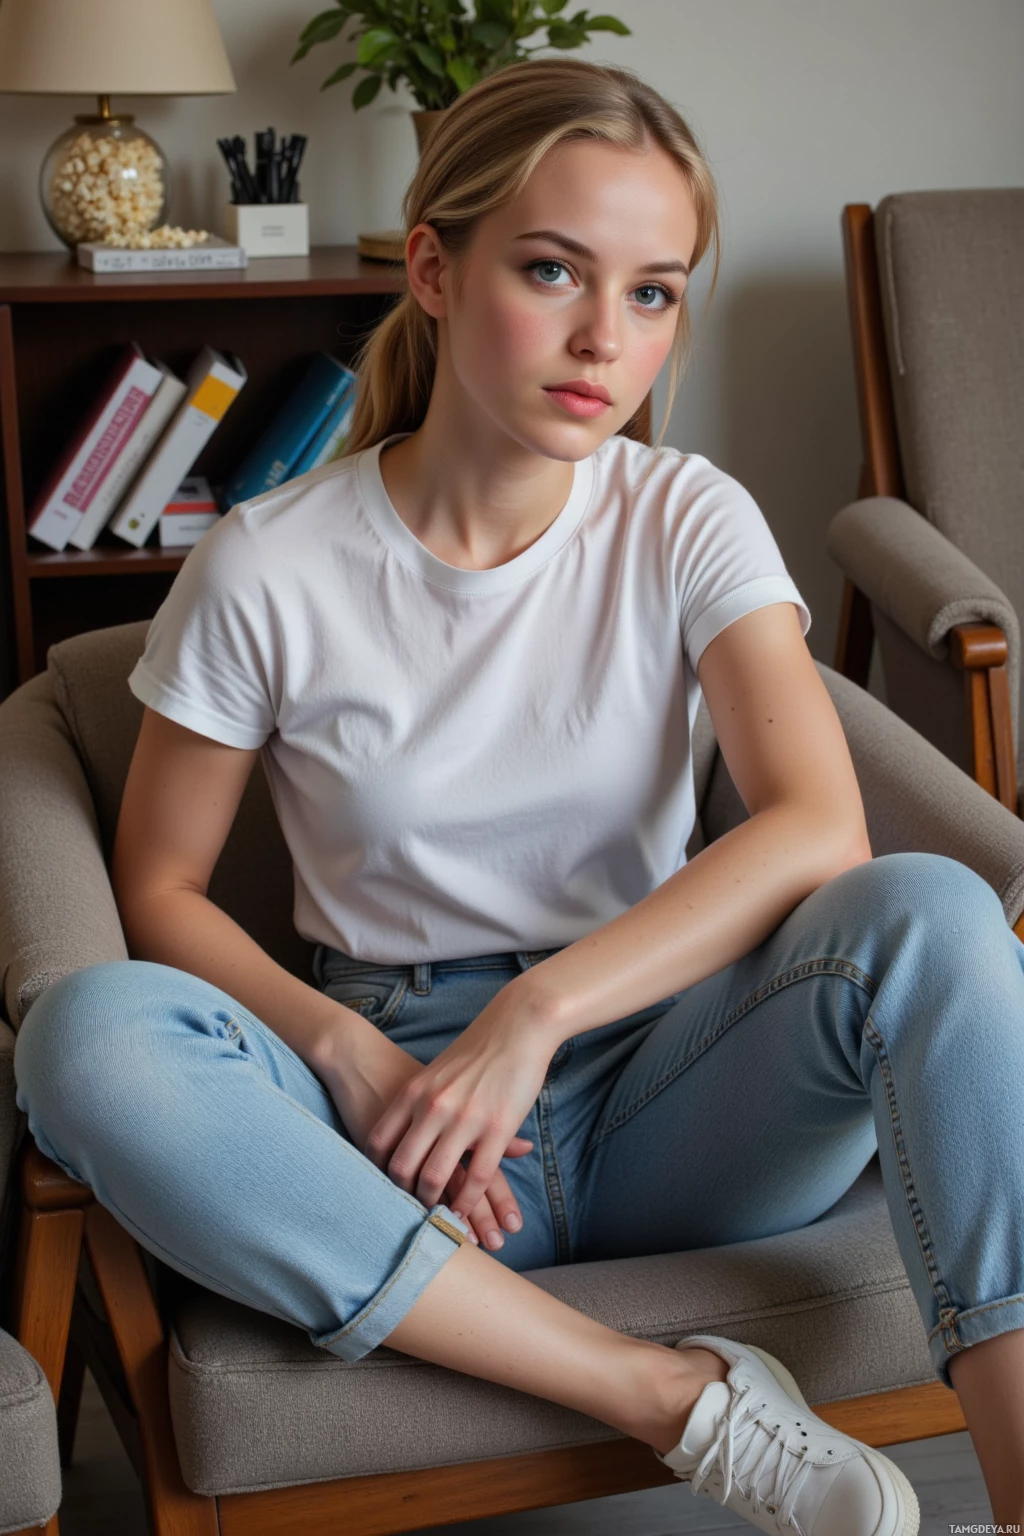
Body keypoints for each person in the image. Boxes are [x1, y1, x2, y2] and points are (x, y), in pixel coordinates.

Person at [13, 56, 1024, 1535]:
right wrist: (350, 1055)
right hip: (393, 1128)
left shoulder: (685, 514)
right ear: (434, 265)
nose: (605, 341)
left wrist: (533, 1016)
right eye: (553, 272)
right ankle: (669, 1395)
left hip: (676, 1079)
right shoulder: (270, 564)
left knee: (932, 910)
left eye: (655, 292)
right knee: (85, 1036)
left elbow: (821, 826)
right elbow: (156, 889)